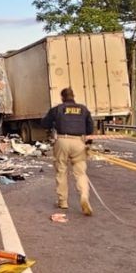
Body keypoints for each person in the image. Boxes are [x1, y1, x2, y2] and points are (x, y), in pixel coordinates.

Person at [43, 87, 93, 216]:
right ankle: (84, 196)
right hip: (79, 141)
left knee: (61, 170)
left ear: (62, 97)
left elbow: (45, 123)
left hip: (62, 140)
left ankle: (63, 202)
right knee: (81, 172)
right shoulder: (83, 109)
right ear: (73, 96)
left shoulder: (58, 109)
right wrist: (88, 143)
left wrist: (51, 126)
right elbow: (90, 127)